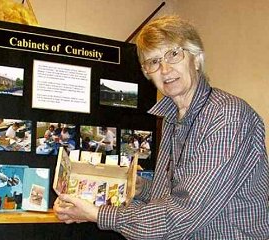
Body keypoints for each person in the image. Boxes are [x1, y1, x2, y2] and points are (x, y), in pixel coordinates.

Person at [53, 15, 269, 239]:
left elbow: (184, 215)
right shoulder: (172, 117)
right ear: (147, 73)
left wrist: (98, 214)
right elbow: (175, 192)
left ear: (196, 59)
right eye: (153, 62)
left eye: (173, 54)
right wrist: (139, 188)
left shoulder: (227, 116)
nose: (165, 69)